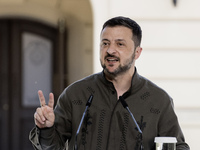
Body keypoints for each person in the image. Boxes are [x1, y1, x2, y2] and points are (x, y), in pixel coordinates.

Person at [29, 16, 190, 150]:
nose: (110, 50)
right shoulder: (75, 94)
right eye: (105, 43)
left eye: (120, 44)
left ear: (137, 52)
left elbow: (178, 146)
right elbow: (50, 147)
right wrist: (46, 128)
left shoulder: (158, 100)